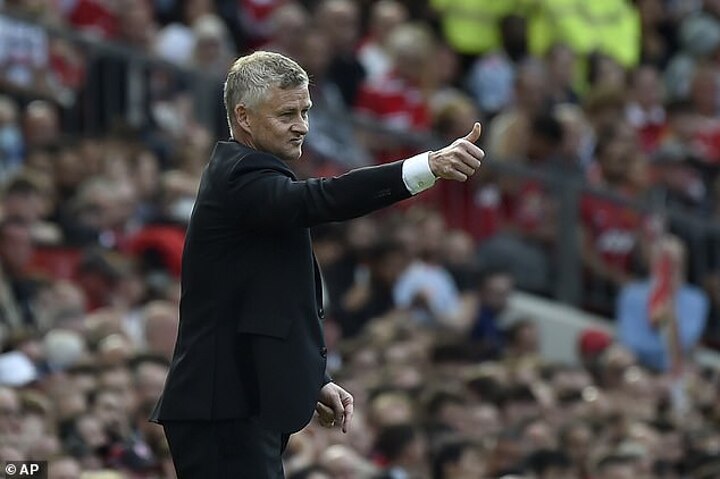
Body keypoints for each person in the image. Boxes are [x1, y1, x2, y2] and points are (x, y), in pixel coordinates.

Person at [150, 51, 484, 478]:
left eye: (305, 111)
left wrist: (313, 378)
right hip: (222, 408)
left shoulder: (252, 177)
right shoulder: (240, 176)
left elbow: (264, 303)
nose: (302, 126)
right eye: (287, 114)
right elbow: (322, 198)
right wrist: (427, 167)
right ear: (244, 116)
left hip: (238, 405)